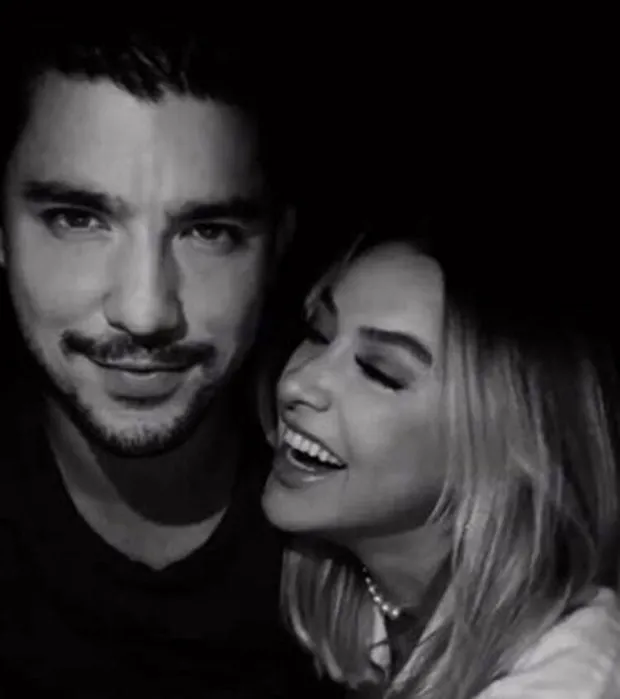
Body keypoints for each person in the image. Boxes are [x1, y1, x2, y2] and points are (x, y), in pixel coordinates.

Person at [0, 25, 344, 698]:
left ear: (277, 248)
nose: (146, 310)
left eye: (208, 232)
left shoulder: (370, 530)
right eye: (78, 218)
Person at [261, 215, 620, 698]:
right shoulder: (351, 609)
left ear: (505, 445)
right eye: (318, 333)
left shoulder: (567, 679)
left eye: (380, 372)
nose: (295, 383)